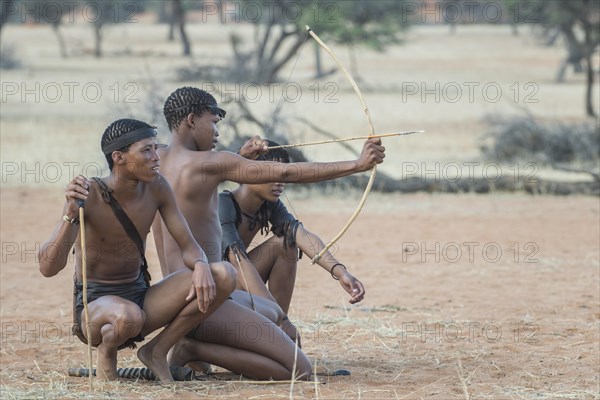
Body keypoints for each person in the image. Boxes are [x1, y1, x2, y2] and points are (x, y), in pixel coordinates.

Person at [153, 86, 385, 377]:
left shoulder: (154, 161)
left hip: (176, 300)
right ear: (191, 120)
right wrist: (357, 164)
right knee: (299, 369)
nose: (217, 132)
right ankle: (192, 349)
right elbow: (285, 173)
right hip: (204, 304)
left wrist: (339, 271)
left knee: (276, 314)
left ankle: (192, 343)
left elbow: (195, 179)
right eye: (213, 122)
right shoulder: (213, 167)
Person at [38, 118, 237, 383]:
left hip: (141, 299)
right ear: (118, 157)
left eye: (156, 148)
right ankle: (107, 353)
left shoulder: (158, 187)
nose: (157, 157)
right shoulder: (89, 194)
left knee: (224, 275)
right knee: (128, 316)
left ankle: (157, 350)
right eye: (147, 150)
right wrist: (70, 216)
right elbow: (48, 268)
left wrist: (200, 264)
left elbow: (189, 246)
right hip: (97, 311)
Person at [219, 140, 366, 345]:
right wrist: (281, 319)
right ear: (248, 173)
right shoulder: (223, 204)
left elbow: (300, 235)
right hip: (216, 293)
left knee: (286, 243)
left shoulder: (271, 205)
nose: (280, 182)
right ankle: (277, 328)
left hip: (240, 287)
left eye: (283, 174)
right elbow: (238, 265)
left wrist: (341, 272)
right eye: (273, 173)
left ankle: (275, 336)